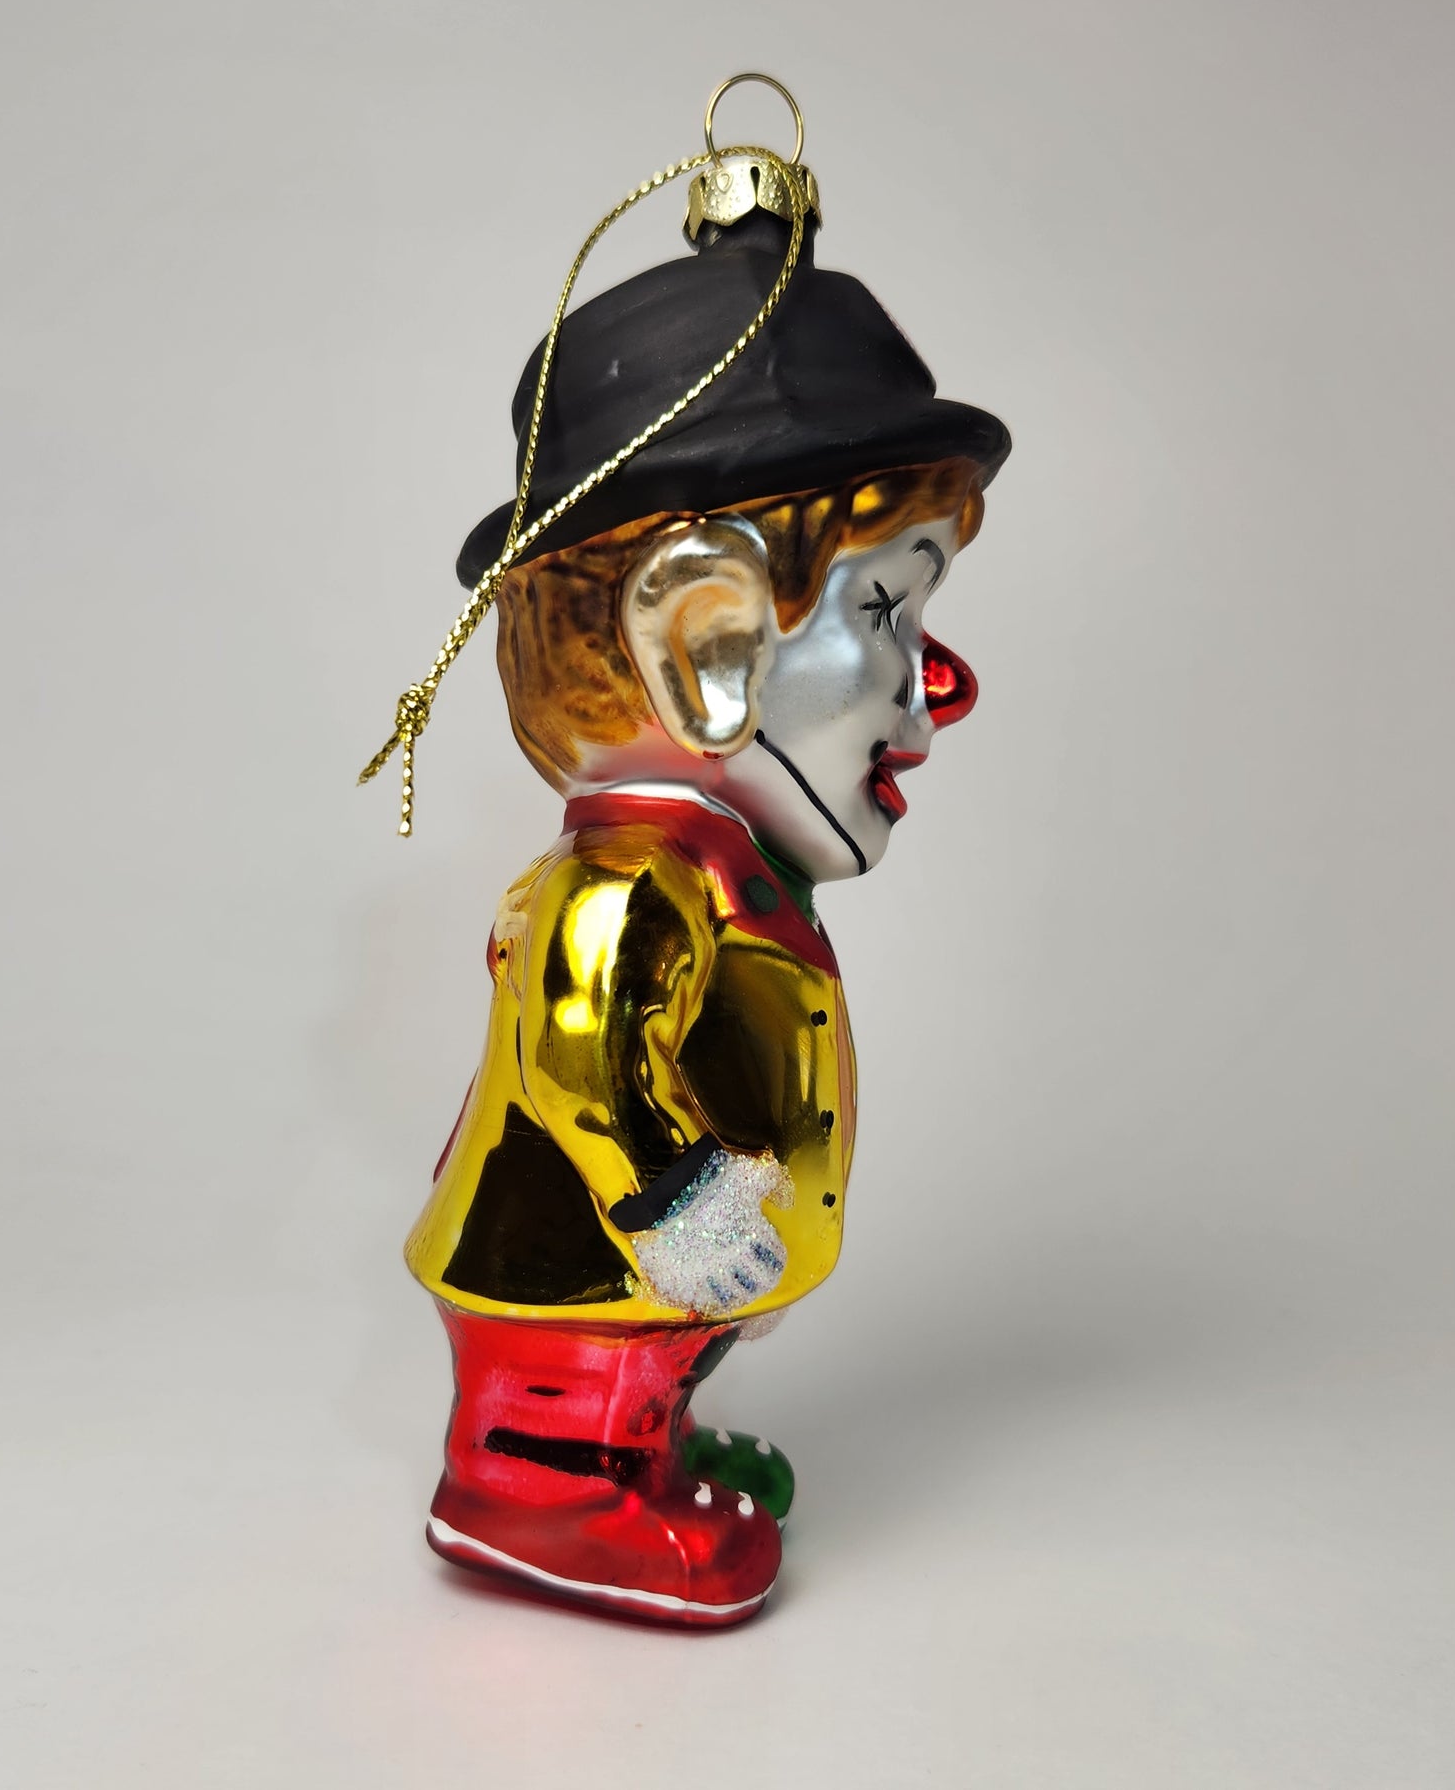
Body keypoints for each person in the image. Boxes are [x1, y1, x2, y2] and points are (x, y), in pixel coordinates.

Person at [403, 151, 1009, 1626]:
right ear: (703, 644)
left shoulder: (721, 875)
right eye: (888, 605)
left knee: (654, 1355)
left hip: (660, 1269)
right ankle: (538, 1489)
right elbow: (580, 1051)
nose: (944, 681)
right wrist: (677, 1200)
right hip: (571, 1265)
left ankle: (647, 1447)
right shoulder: (620, 888)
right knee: (574, 1382)